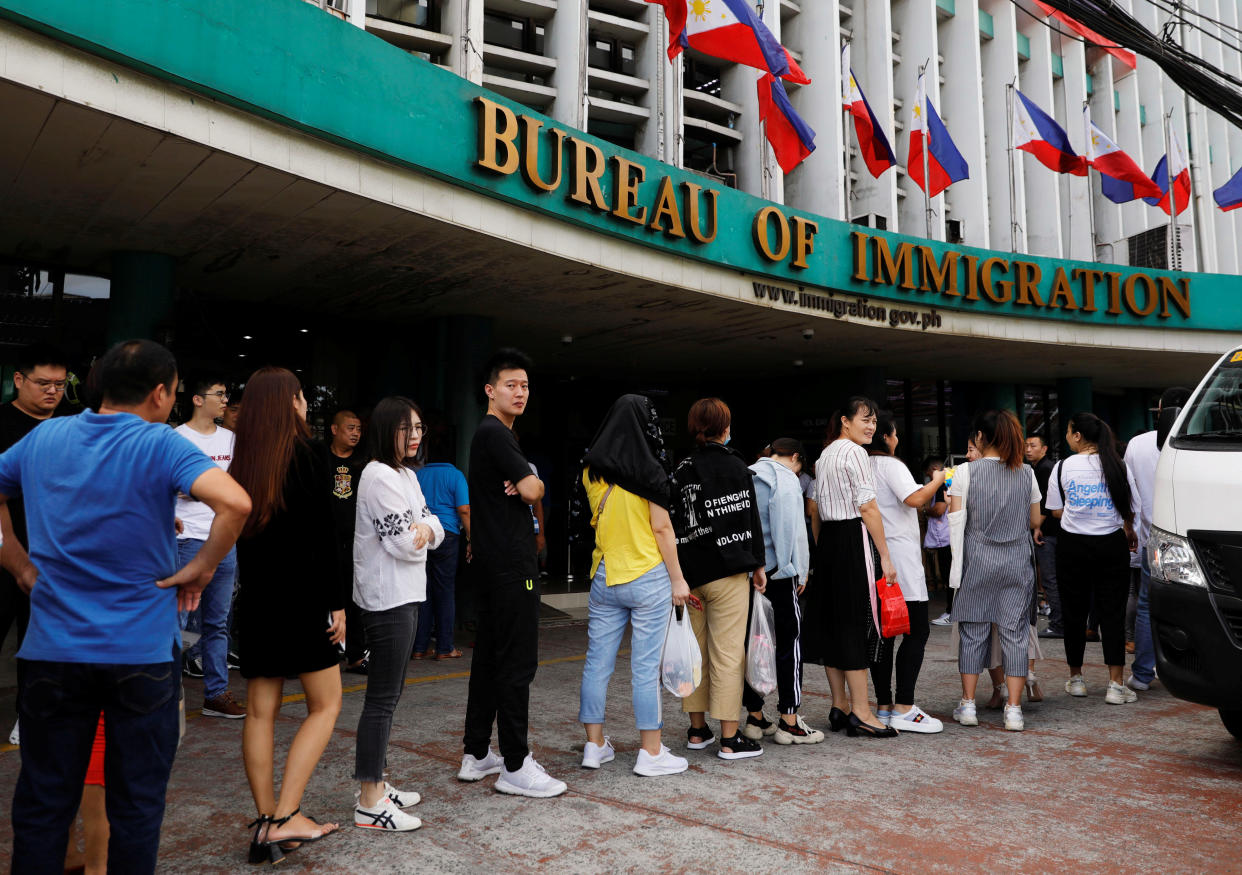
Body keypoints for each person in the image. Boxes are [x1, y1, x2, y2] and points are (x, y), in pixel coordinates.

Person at [0, 339, 249, 873]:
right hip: (139, 654)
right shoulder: (160, 443)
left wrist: (17, 562)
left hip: (52, 651)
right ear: (160, 393)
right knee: (136, 806)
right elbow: (235, 503)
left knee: (43, 803)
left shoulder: (46, 434)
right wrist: (203, 567)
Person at [230, 367, 345, 863]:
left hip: (256, 602)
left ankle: (263, 822)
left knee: (260, 711)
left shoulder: (242, 462)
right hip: (303, 601)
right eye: (300, 396)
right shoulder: (308, 454)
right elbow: (326, 536)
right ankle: (286, 816)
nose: (305, 405)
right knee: (326, 705)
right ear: (289, 403)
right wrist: (338, 602)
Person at [458, 349, 565, 797]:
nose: (520, 392)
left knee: (488, 659)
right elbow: (533, 487)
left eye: (524, 386)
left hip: (491, 563)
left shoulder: (491, 437)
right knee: (517, 662)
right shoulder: (496, 434)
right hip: (509, 565)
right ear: (490, 390)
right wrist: (528, 485)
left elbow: (526, 487)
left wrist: (524, 485)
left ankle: (477, 753)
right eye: (510, 385)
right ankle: (516, 765)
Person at [577, 394, 690, 776]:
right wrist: (678, 578)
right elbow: (661, 527)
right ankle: (651, 752)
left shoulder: (591, 470)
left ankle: (594, 746)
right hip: (648, 578)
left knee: (597, 663)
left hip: (605, 575)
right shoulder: (650, 470)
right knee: (644, 668)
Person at [351, 397, 443, 832]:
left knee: (389, 697)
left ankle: (377, 783)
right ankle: (370, 799)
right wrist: (423, 528)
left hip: (406, 593)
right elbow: (406, 543)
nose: (416, 436)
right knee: (381, 700)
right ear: (388, 430)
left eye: (420, 427)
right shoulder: (378, 475)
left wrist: (425, 527)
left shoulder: (405, 474)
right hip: (386, 598)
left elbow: (434, 527)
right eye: (408, 428)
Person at [670, 397, 768, 759]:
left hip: (688, 575)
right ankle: (730, 738)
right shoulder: (737, 466)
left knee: (692, 652)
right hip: (728, 572)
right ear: (725, 429)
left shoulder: (680, 469)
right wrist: (758, 565)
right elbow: (749, 519)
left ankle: (698, 730)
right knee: (728, 652)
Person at [806, 397, 898, 739]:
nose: (871, 426)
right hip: (851, 537)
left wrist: (819, 551)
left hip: (828, 540)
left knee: (833, 622)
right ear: (845, 421)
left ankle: (840, 704)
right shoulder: (856, 453)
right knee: (858, 622)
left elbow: (814, 511)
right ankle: (862, 711)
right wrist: (885, 555)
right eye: (865, 419)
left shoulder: (825, 454)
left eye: (874, 421)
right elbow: (868, 507)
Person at [948, 410, 1043, 732]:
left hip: (977, 560)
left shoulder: (965, 472)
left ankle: (968, 704)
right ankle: (1014, 710)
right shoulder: (1027, 473)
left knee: (973, 633)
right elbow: (1035, 521)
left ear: (980, 437)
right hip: (1016, 561)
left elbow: (956, 519)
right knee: (1014, 635)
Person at [0, 342, 71, 745]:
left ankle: (29, 715)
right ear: (18, 380)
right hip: (7, 548)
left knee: (40, 642)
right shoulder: (2, 423)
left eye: (60, 385)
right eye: (43, 383)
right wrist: (16, 557)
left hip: (53, 555)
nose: (51, 391)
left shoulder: (71, 427)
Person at [1046, 412, 1140, 704]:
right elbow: (1132, 507)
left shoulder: (1063, 467)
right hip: (1111, 545)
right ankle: (1115, 684)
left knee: (1073, 612)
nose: (1066, 436)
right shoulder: (1117, 465)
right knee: (1112, 612)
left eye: (1068, 431)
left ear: (1077, 436)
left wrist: (1080, 510)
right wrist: (1127, 529)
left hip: (1071, 546)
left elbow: (1055, 511)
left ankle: (1076, 679)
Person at [740, 438, 824, 744]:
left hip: (746, 575)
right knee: (790, 643)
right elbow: (789, 529)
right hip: (778, 573)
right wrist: (799, 568)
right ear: (796, 458)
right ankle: (790, 719)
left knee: (752, 644)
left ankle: (755, 717)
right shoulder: (785, 479)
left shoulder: (746, 473)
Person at [866, 415, 946, 733]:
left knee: (885, 634)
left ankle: (884, 707)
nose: (896, 439)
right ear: (886, 436)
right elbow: (913, 498)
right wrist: (938, 480)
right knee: (916, 632)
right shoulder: (891, 465)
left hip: (875, 557)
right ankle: (904, 706)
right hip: (900, 562)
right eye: (895, 434)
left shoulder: (861, 464)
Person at [174, 376, 245, 717]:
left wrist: (200, 487)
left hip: (224, 539)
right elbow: (166, 486)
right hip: (187, 538)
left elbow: (236, 486)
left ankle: (216, 694)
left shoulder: (230, 439)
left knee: (218, 622)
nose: (225, 400)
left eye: (225, 393)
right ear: (197, 400)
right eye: (219, 394)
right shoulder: (176, 438)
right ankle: (168, 692)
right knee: (179, 619)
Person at [1125, 387, 1190, 692]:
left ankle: (1141, 674)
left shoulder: (1137, 444)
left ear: (1160, 409)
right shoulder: (1195, 441)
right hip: (1191, 539)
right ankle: (1189, 668)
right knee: (1190, 605)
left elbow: (1130, 493)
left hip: (1154, 536)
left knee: (1147, 604)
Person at [414, 432, 470, 660]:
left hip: (424, 535)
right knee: (445, 590)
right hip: (447, 534)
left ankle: (419, 647)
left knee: (423, 591)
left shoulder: (418, 475)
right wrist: (471, 538)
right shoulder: (455, 475)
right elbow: (464, 509)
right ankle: (445, 647)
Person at [321, 407, 369, 673]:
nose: (356, 433)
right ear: (335, 429)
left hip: (356, 540)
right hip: (324, 538)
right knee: (322, 596)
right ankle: (323, 654)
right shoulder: (320, 459)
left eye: (359, 429)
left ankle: (356, 655)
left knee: (355, 599)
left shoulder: (364, 462)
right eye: (351, 428)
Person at [1027, 435, 1064, 639]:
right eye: (1026, 446)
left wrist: (1036, 526)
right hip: (1050, 530)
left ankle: (1058, 623)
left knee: (1051, 579)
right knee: (1052, 578)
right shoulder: (1039, 468)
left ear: (1044, 448)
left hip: (1049, 531)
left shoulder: (1044, 469)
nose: (1028, 449)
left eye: (1033, 446)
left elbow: (1044, 503)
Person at [924, 457, 953, 627]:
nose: (929, 478)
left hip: (946, 537)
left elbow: (939, 509)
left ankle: (951, 612)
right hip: (947, 536)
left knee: (950, 576)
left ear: (935, 468)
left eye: (929, 474)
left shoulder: (942, 483)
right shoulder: (948, 481)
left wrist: (924, 509)